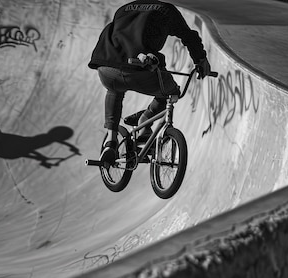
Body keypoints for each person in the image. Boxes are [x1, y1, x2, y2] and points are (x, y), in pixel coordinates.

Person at [88, 0, 211, 165]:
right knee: (171, 92)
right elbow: (188, 36)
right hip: (137, 70)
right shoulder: (167, 10)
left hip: (107, 67)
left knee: (114, 90)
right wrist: (201, 60)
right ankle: (145, 121)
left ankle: (110, 141)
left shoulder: (124, 9)